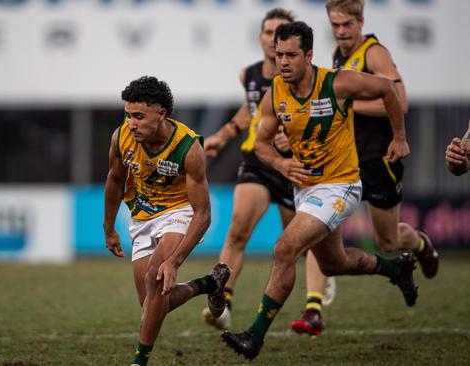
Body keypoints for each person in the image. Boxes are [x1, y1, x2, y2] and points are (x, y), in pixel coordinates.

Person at [221, 21, 418, 361]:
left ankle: (254, 336)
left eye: (291, 55)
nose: (283, 62)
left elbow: (388, 91)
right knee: (334, 263)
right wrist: (282, 166)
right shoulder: (274, 95)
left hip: (340, 186)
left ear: (309, 55)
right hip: (305, 189)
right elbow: (262, 144)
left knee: (285, 248)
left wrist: (398, 137)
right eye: (279, 54)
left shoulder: (337, 82)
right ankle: (395, 269)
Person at [201, 8, 333, 336]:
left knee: (303, 243)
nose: (273, 40)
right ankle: (224, 302)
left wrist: (294, 137)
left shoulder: (308, 78)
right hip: (259, 162)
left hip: (297, 167)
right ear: (262, 38)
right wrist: (223, 135)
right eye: (268, 32)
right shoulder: (249, 75)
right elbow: (249, 113)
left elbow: (325, 116)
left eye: (279, 34)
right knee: (237, 230)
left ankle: (313, 305)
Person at [103, 76, 231, 366]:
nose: (131, 123)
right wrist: (109, 226)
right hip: (143, 216)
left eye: (138, 116)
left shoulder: (189, 148)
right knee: (154, 303)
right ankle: (209, 284)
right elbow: (115, 180)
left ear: (161, 114)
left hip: (180, 213)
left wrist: (173, 262)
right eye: (128, 115)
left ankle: (139, 361)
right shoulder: (121, 137)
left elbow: (203, 214)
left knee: (155, 277)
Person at [326, 0, 439, 280]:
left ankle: (420, 243)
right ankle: (313, 303)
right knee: (322, 228)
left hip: (378, 156)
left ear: (361, 22)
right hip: (347, 158)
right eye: (335, 25)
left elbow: (399, 103)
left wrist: (346, 105)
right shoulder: (337, 55)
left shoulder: (374, 54)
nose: (341, 31)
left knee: (387, 242)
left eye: (347, 24)